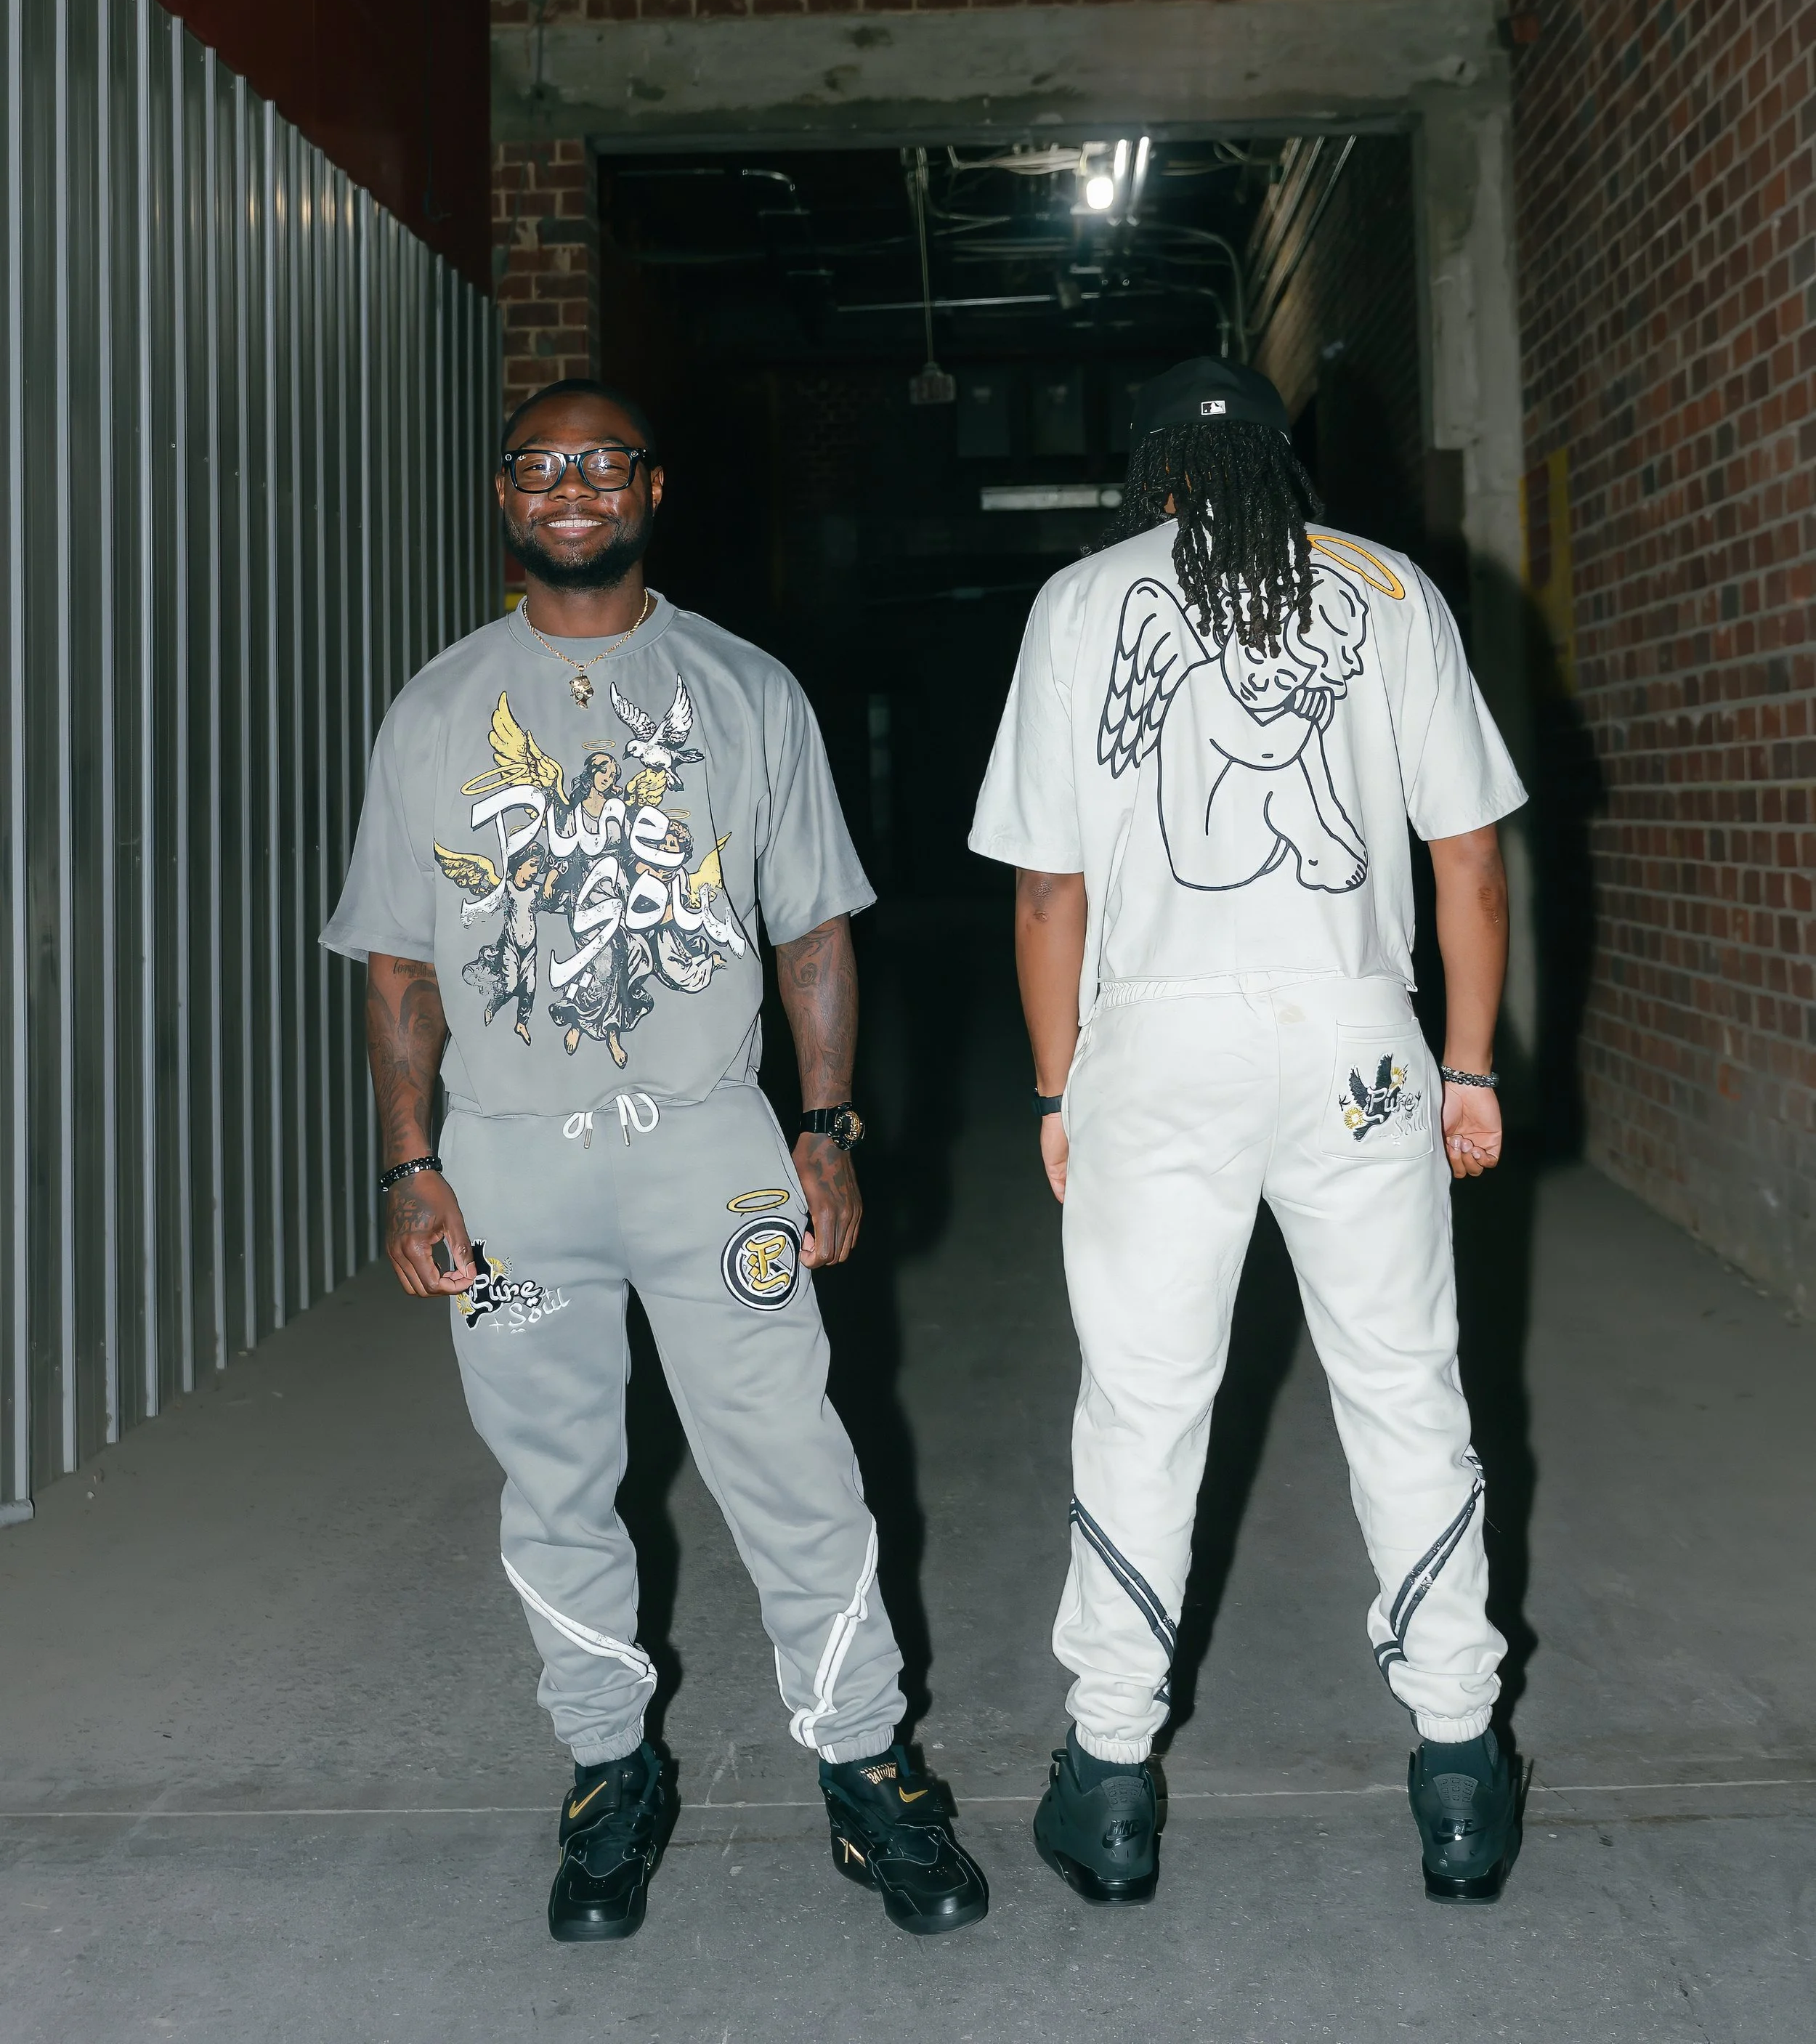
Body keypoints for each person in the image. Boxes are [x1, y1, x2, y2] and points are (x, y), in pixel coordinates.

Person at [325, 378, 987, 1944]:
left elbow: (811, 929)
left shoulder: (746, 690)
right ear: (504, 498)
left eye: (601, 463)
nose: (570, 487)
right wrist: (410, 1164)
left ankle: (864, 1765)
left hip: (710, 1147)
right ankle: (606, 1774)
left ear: (652, 489)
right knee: (554, 1483)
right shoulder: (435, 710)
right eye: (538, 466)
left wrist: (826, 1126)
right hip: (507, 1164)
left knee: (793, 1462)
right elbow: (398, 964)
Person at [969, 356, 1528, 1908]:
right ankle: (1460, 1769)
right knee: (1404, 1386)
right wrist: (1468, 1068)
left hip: (1157, 1043)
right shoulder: (1392, 591)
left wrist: (1055, 1088)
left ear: (1149, 474)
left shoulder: (1081, 603)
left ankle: (1108, 1780)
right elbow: (1469, 862)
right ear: (1287, 467)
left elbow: (1047, 891)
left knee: (1144, 1403)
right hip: (1356, 1037)